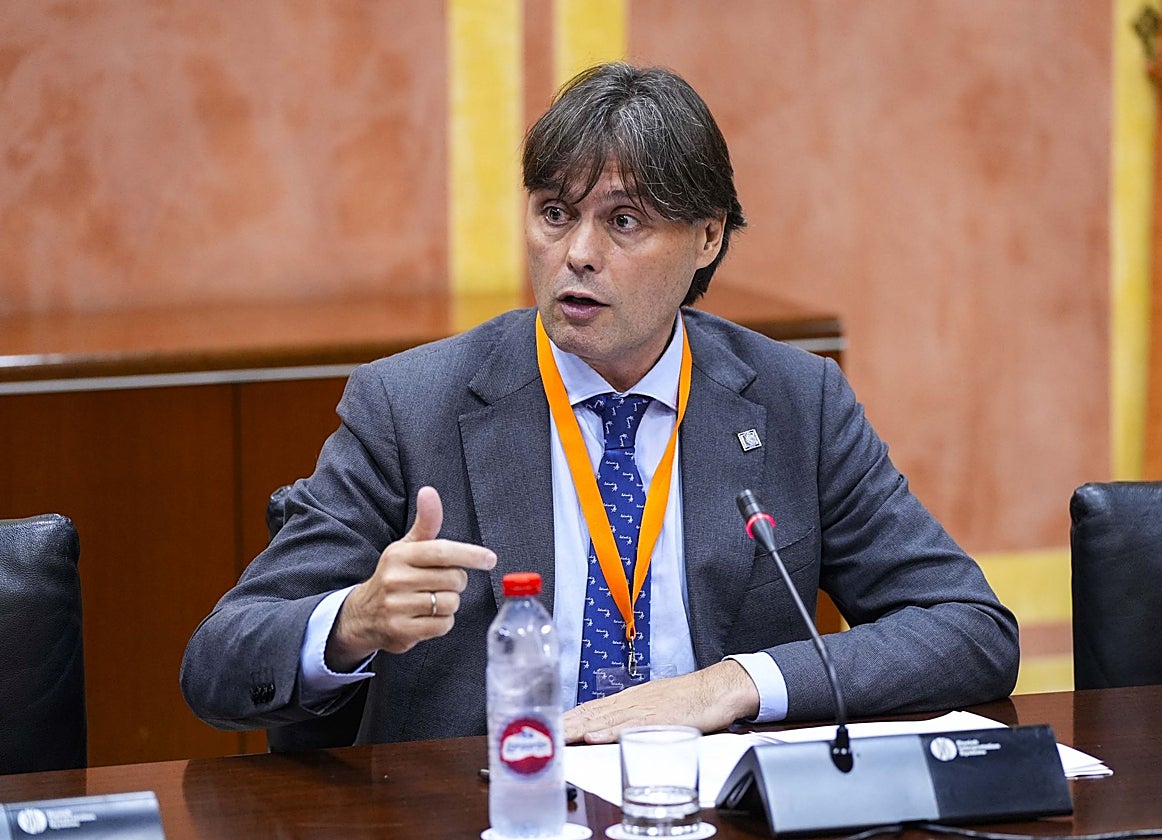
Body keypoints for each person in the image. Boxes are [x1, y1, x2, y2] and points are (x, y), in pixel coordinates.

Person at [180, 62, 1018, 747]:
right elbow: (218, 662)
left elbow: (971, 628)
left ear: (708, 237)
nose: (576, 254)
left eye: (624, 222)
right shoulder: (412, 406)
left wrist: (734, 685)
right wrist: (352, 621)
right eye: (555, 214)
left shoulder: (799, 401)